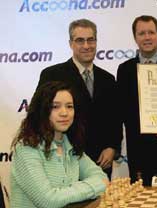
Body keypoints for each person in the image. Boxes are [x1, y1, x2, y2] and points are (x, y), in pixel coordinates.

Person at [8, 81, 108, 208]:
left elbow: (102, 178)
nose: (64, 113)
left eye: (69, 106)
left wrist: (71, 190)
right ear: (41, 110)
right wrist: (88, 187)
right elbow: (49, 202)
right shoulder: (27, 150)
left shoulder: (70, 145)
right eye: (55, 107)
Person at [37, 18, 122, 179]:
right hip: (64, 160)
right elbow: (40, 115)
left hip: (101, 161)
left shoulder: (108, 79)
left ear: (96, 42)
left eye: (91, 40)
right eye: (80, 40)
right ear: (71, 43)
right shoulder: (52, 75)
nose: (86, 46)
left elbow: (115, 119)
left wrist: (112, 147)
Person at [116, 15, 157, 186]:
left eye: (151, 32)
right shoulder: (124, 69)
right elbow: (121, 110)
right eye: (142, 33)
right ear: (135, 38)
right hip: (138, 149)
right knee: (140, 203)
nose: (147, 37)